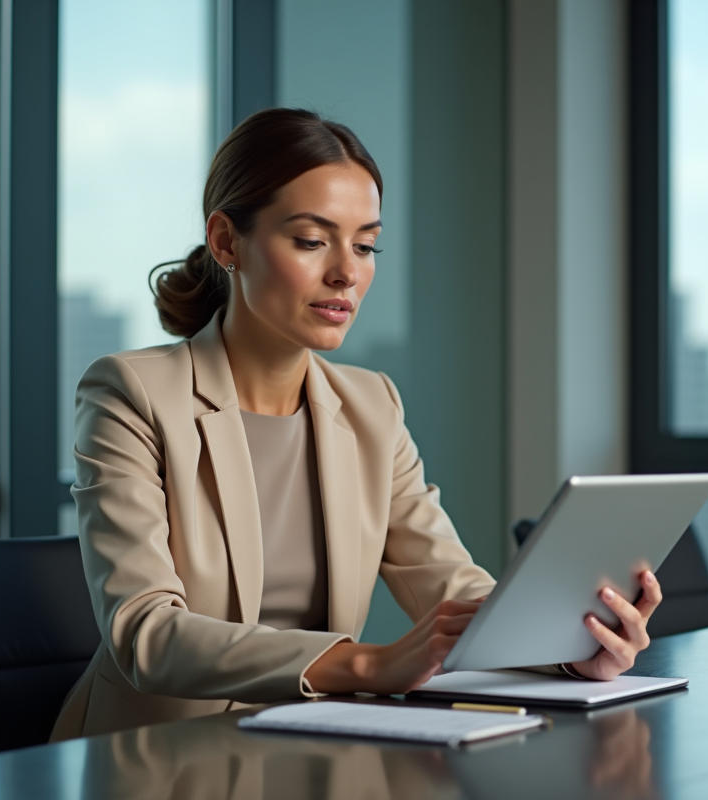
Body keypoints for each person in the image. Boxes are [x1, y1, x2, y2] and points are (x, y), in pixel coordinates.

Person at [51, 108, 662, 741]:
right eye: (312, 240)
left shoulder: (372, 405)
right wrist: (369, 663)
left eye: (365, 245)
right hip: (154, 756)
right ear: (227, 241)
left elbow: (448, 585)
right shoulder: (132, 392)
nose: (347, 271)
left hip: (311, 747)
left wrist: (565, 648)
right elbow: (146, 634)